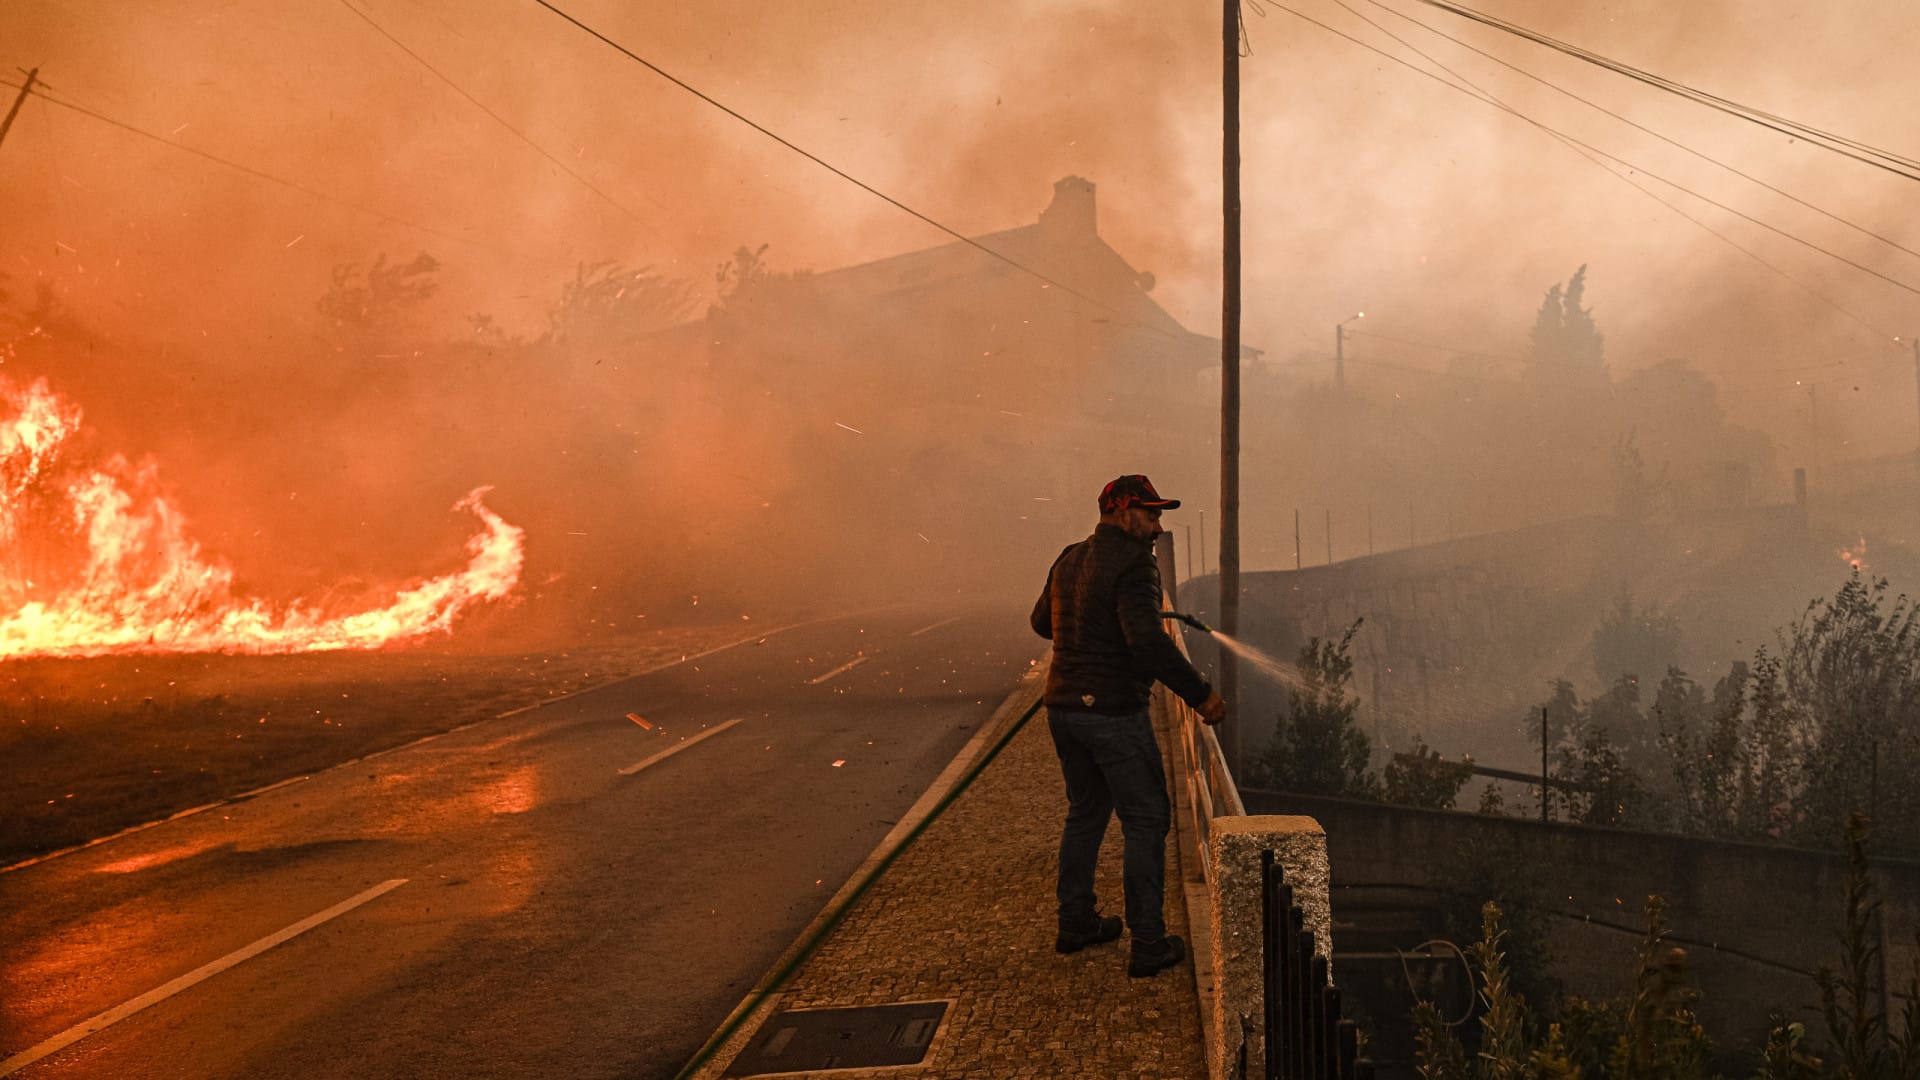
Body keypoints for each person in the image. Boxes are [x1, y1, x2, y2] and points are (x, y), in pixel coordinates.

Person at [1030, 474, 1228, 978]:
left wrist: (1087, 629)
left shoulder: (1070, 556)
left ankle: (1075, 922)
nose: (1159, 526)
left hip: (1064, 710)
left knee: (1085, 813)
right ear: (1121, 511)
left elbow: (1041, 622)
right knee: (1146, 819)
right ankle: (1148, 941)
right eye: (1152, 514)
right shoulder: (1137, 564)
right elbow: (1146, 643)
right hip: (1112, 712)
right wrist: (1200, 695)